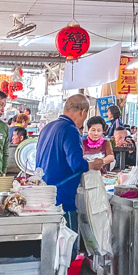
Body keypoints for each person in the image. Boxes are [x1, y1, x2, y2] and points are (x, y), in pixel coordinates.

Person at [36, 95, 105, 231]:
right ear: (83, 112)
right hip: (62, 200)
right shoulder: (70, 130)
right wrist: (92, 165)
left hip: (44, 195)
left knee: (51, 246)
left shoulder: (48, 127)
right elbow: (76, 164)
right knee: (67, 243)